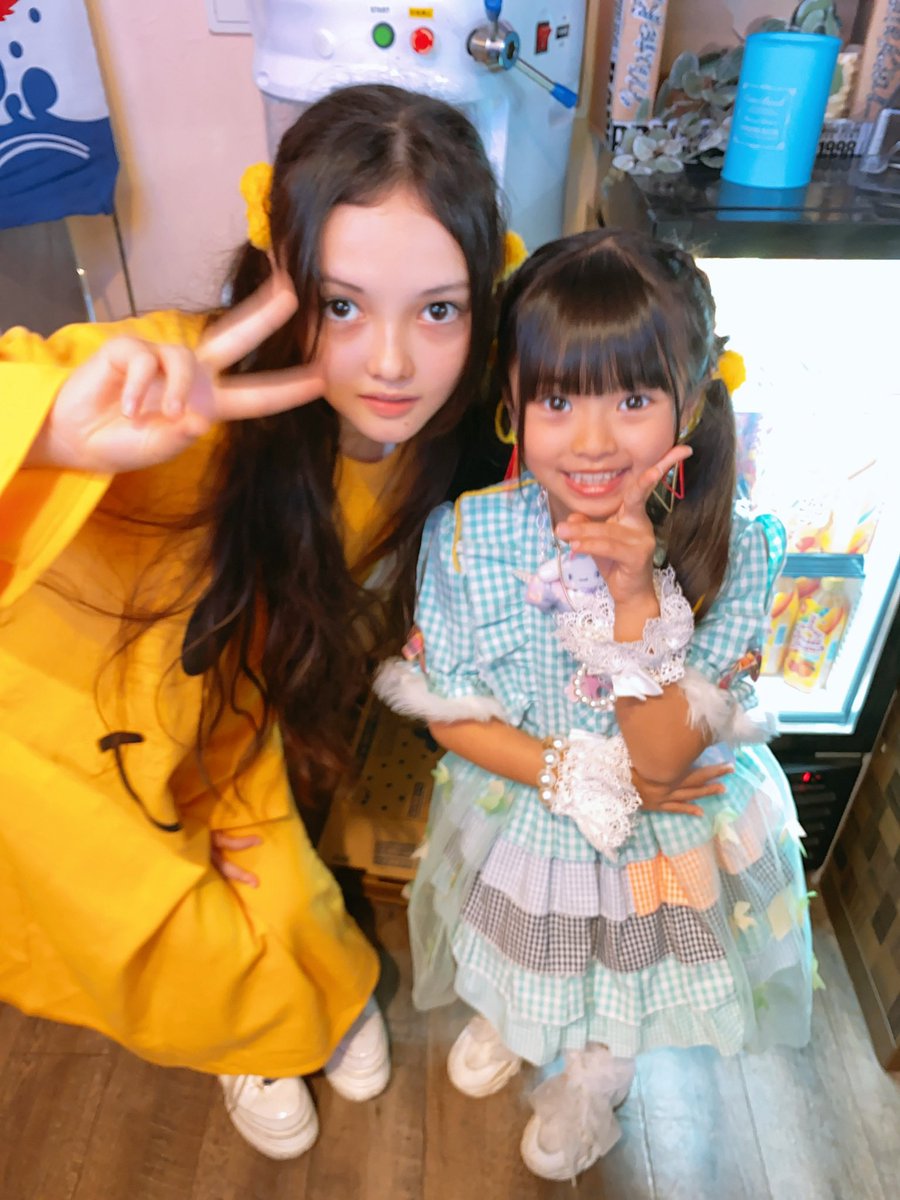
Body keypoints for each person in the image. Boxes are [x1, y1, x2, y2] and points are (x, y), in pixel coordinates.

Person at [0, 84, 510, 1160]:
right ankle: (245, 1037)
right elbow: (36, 384)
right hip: (46, 737)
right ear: (283, 280)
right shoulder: (171, 378)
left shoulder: (440, 448)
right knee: (156, 939)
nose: (389, 361)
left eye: (438, 310)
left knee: (295, 911)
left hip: (219, 727)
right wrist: (51, 436)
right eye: (342, 304)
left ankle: (302, 1001)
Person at [375, 228, 814, 1181]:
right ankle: (517, 1019)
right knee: (520, 942)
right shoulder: (468, 537)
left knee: (625, 979)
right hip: (526, 797)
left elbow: (659, 764)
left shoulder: (736, 547)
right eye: (559, 399)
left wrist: (633, 597)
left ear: (689, 401)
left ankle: (592, 1079)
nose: (593, 439)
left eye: (634, 399)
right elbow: (447, 713)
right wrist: (571, 772)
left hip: (669, 831)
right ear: (513, 403)